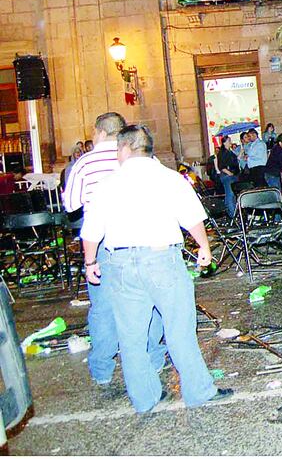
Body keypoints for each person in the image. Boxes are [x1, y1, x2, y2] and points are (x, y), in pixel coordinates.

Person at [81, 125, 232, 414]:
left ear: (124, 149)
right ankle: (198, 391)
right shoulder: (169, 178)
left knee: (131, 335)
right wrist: (204, 248)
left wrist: (90, 263)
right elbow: (191, 218)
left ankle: (145, 398)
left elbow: (91, 231)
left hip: (121, 264)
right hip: (162, 260)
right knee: (179, 327)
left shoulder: (107, 184)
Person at [64, 113, 166, 391]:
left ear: (99, 132)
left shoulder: (83, 162)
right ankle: (154, 358)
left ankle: (102, 369)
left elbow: (71, 205)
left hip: (103, 240)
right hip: (145, 237)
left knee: (104, 307)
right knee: (149, 300)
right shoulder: (144, 159)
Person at [216, 135, 240, 217]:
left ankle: (232, 212)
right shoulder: (223, 153)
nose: (230, 142)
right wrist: (229, 173)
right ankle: (232, 214)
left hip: (232, 175)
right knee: (230, 194)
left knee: (231, 194)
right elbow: (221, 166)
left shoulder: (229, 152)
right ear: (224, 142)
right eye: (229, 141)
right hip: (228, 176)